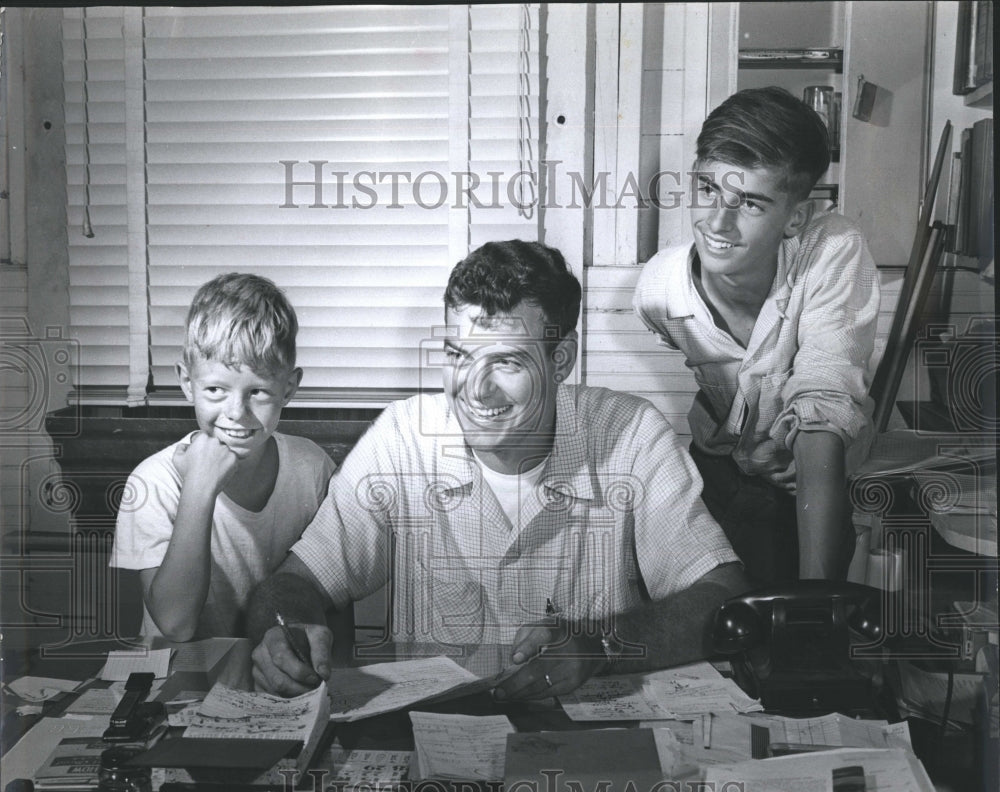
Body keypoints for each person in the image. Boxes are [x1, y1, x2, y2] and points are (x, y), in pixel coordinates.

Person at [247, 239, 749, 700]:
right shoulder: (403, 437)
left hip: (590, 755)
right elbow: (294, 585)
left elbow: (721, 595)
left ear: (561, 360)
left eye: (507, 362)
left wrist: (601, 645)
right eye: (458, 356)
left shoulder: (632, 433)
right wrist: (284, 632)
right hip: (437, 755)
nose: (475, 389)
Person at [634, 86, 880, 584]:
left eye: (749, 203)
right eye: (708, 190)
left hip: (811, 487)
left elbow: (823, 412)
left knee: (799, 640)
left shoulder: (832, 248)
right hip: (713, 475)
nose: (717, 223)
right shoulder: (659, 292)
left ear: (794, 218)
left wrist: (815, 603)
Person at [110, 273, 335, 641]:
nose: (236, 412)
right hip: (174, 683)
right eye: (215, 389)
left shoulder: (312, 468)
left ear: (289, 388)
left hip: (271, 680)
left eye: (259, 391)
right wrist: (199, 488)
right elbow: (175, 623)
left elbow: (332, 602)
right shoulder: (153, 481)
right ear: (187, 382)